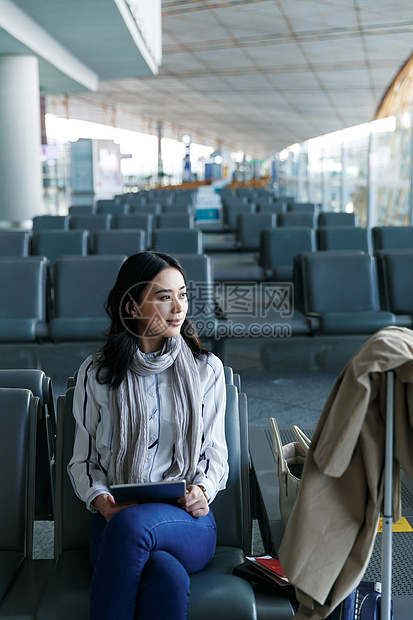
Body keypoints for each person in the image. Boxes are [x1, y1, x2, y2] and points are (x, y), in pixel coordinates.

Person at [68, 251, 229, 620]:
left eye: (183, 294)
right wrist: (103, 502)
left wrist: (203, 491)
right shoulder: (97, 373)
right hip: (113, 521)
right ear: (131, 305)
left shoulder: (207, 370)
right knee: (166, 577)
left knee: (132, 527)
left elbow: (215, 455)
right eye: (163, 296)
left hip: (189, 523)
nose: (178, 308)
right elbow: (82, 461)